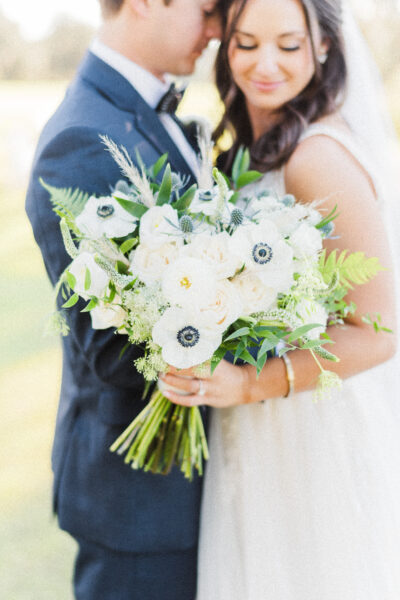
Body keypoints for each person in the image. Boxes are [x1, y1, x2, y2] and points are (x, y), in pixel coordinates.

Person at [159, 0, 400, 597]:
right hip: (262, 431)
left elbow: (379, 330)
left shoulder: (317, 155)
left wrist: (248, 384)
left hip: (308, 435)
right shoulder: (248, 143)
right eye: (246, 43)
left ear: (323, 46)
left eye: (289, 46)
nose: (265, 65)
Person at [25, 1, 221, 598]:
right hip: (141, 499)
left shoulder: (150, 110)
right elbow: (114, 350)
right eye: (207, 10)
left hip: (195, 487)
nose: (215, 32)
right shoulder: (83, 137)